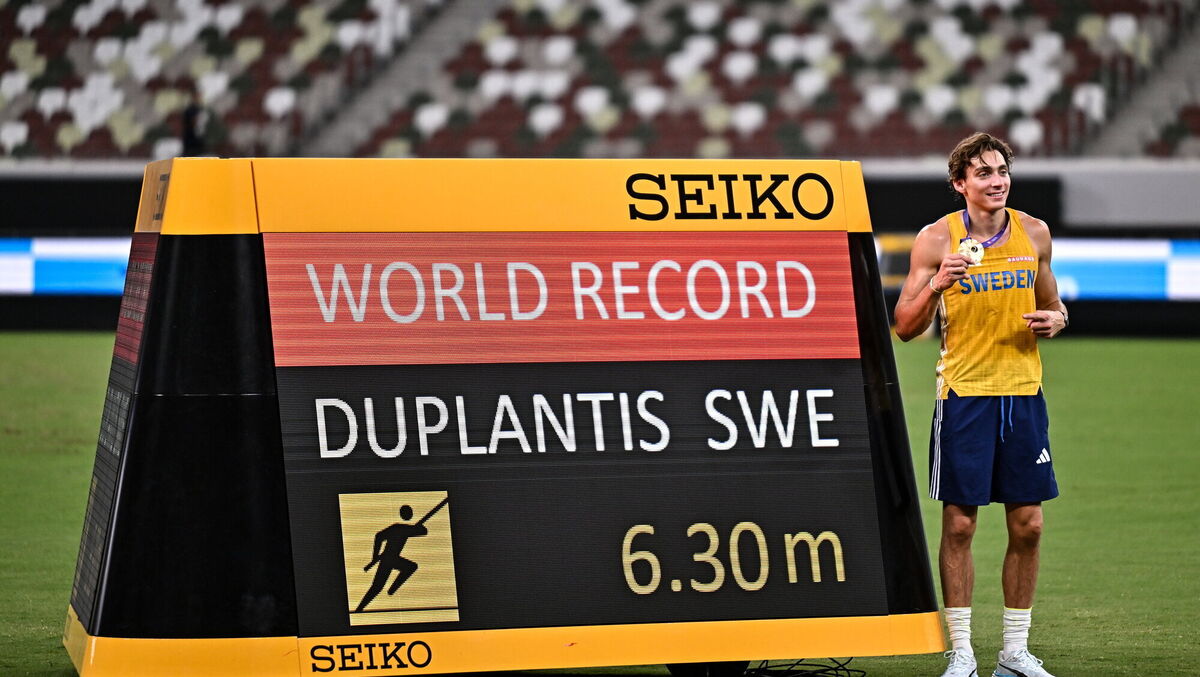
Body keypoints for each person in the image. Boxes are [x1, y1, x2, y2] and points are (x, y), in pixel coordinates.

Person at [894, 132, 1068, 677]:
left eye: (1002, 171)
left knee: (1029, 525)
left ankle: (1014, 653)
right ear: (960, 184)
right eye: (984, 173)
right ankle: (962, 650)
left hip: (1023, 395)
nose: (996, 181)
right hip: (964, 396)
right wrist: (938, 284)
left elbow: (1052, 301)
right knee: (961, 525)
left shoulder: (1034, 232)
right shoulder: (933, 241)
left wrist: (1057, 319)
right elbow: (903, 326)